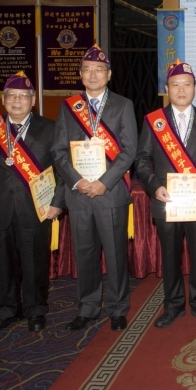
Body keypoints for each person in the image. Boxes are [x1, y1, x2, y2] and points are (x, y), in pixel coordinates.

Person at [51, 44, 137, 332]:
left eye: (99, 70)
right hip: (78, 194)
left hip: (110, 193)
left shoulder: (123, 105)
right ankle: (87, 308)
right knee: (85, 254)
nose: (93, 74)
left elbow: (129, 150)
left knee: (115, 254)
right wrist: (78, 181)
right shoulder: (69, 106)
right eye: (87, 70)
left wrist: (103, 182)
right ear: (80, 74)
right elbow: (58, 150)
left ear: (108, 74)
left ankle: (117, 308)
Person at [0, 71, 65, 332]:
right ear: (3, 100)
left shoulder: (50, 129)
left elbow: (61, 171)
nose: (16, 101)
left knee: (35, 261)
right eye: (11, 96)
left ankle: (36, 310)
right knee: (4, 263)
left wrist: (57, 202)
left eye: (23, 96)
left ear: (33, 100)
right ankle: (8, 309)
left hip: (36, 207)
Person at [135, 60, 196, 328]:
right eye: (175, 85)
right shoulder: (153, 120)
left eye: (187, 85)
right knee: (169, 256)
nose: (181, 90)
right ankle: (173, 306)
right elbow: (142, 159)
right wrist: (153, 186)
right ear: (167, 88)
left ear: (195, 88)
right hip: (166, 201)